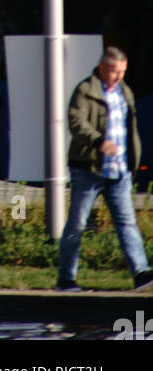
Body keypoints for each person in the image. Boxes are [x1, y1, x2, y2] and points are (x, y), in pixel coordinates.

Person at [56, 47, 153, 292]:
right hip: (89, 168)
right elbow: (76, 121)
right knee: (77, 224)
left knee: (127, 222)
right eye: (114, 71)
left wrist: (131, 160)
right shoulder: (86, 90)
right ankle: (66, 280)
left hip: (118, 171)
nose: (118, 76)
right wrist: (99, 141)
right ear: (102, 68)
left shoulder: (125, 92)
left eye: (122, 71)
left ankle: (141, 274)